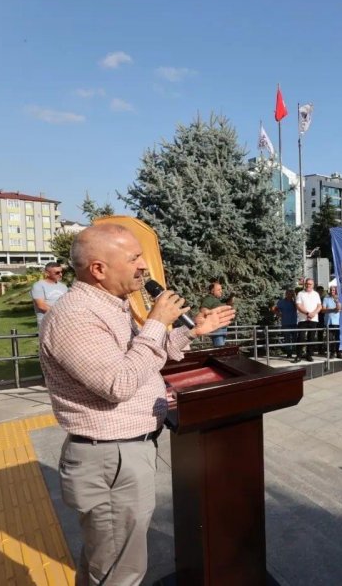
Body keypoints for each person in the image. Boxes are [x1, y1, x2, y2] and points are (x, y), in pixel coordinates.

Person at [39, 224, 234, 585]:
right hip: (111, 458)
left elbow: (140, 361)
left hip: (122, 454)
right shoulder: (76, 316)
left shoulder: (110, 306)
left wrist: (189, 331)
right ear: (98, 269)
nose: (144, 266)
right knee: (119, 572)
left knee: (107, 561)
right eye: (133, 259)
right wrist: (157, 322)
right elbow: (118, 383)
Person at [31, 261, 69, 327]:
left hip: (63, 322)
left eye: (61, 272)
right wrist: (61, 315)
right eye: (57, 272)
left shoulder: (63, 286)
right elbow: (41, 306)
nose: (61, 274)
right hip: (47, 323)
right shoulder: (39, 285)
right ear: (47, 273)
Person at [199, 281, 233, 347]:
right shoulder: (208, 299)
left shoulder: (216, 300)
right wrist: (209, 314)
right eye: (218, 290)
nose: (221, 291)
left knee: (221, 349)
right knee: (220, 350)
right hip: (217, 329)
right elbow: (203, 310)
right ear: (212, 291)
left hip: (222, 328)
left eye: (221, 289)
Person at [295, 278, 321, 362]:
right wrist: (307, 313)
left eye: (310, 284)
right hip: (302, 319)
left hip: (313, 319)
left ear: (313, 285)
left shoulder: (316, 294)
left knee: (311, 338)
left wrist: (313, 313)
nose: (308, 285)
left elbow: (319, 306)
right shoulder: (300, 294)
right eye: (307, 283)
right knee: (301, 338)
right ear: (304, 284)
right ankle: (298, 355)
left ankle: (309, 355)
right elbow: (298, 306)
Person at [272, 288, 298, 358]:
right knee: (287, 339)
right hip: (285, 323)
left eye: (291, 294)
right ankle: (289, 353)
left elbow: (298, 308)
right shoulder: (282, 302)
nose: (289, 295)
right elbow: (274, 308)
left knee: (295, 338)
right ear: (286, 294)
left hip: (295, 323)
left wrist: (295, 298)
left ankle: (296, 353)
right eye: (288, 294)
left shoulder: (295, 302)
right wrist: (278, 314)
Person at [321, 285, 342, 359]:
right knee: (330, 339)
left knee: (337, 339)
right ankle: (332, 352)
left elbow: (340, 308)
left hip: (337, 322)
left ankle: (338, 352)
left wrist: (336, 301)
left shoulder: (339, 298)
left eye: (333, 290)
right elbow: (323, 310)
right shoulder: (326, 299)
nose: (332, 291)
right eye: (331, 290)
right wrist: (332, 310)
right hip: (329, 322)